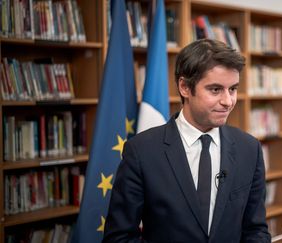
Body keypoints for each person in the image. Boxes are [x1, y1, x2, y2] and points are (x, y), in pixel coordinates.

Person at [103, 39, 270, 242]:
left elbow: (256, 230)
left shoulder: (249, 149)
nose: (228, 101)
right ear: (184, 87)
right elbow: (119, 237)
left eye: (233, 89)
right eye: (215, 90)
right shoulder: (141, 151)